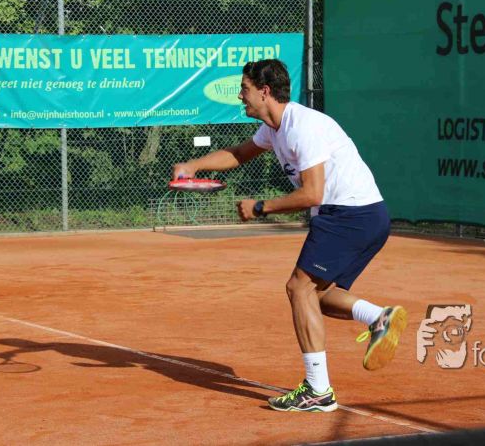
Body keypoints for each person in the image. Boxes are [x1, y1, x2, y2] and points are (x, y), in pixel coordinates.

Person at [172, 59, 407, 413]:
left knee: (298, 288)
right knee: (317, 296)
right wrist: (193, 165)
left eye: (245, 89)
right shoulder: (273, 129)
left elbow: (312, 193)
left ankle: (318, 390)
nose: (240, 96)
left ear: (265, 92)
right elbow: (239, 153)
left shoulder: (302, 127)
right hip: (365, 215)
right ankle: (378, 317)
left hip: (349, 214)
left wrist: (261, 207)